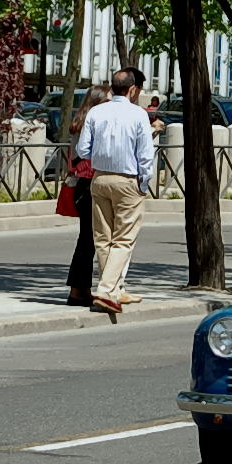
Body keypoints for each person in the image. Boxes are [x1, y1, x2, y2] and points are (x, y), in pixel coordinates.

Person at [76, 69, 154, 314]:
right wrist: (143, 183)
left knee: (103, 239)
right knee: (123, 239)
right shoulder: (139, 114)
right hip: (128, 180)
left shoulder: (96, 112)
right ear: (132, 90)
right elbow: (145, 155)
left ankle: (115, 289)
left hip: (99, 179)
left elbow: (82, 150)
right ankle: (107, 290)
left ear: (112, 87)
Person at [65, 85, 110, 306]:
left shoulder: (78, 123)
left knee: (88, 240)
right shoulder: (91, 126)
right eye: (108, 101)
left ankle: (80, 289)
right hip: (90, 184)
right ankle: (77, 291)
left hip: (82, 186)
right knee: (89, 241)